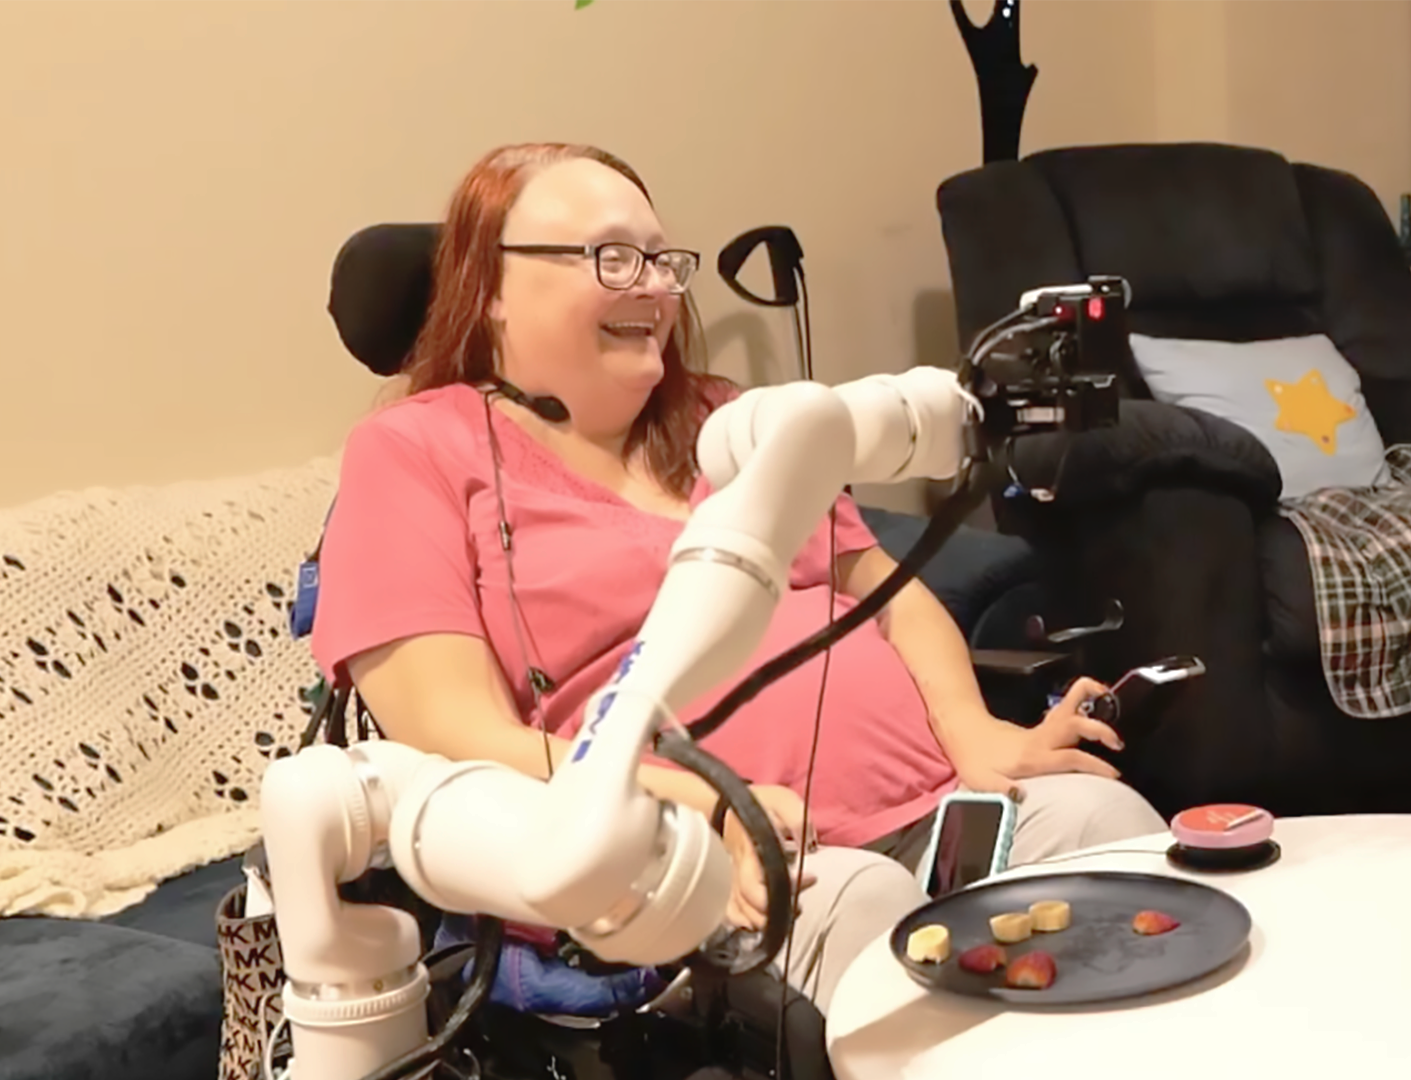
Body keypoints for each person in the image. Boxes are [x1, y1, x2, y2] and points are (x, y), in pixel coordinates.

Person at [309, 142, 1168, 1015]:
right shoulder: (414, 452)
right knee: (869, 926)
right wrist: (693, 803)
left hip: (937, 807)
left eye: (661, 260)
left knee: (1116, 833)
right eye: (612, 257)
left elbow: (889, 593)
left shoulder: (724, 417)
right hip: (692, 863)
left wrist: (976, 734)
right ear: (489, 284)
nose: (653, 286)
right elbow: (449, 732)